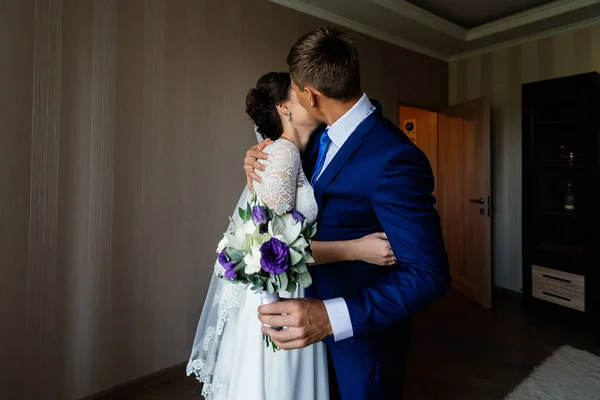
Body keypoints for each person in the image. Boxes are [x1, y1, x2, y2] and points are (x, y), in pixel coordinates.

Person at [244, 28, 450, 399]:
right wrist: (258, 167)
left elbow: (429, 274)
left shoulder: (393, 157)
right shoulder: (313, 138)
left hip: (361, 343)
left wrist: (331, 317)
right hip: (304, 334)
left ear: (311, 95)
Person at [186, 71, 397, 400]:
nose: (311, 96)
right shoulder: (283, 154)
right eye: (300, 91)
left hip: (296, 291)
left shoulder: (297, 152)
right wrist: (357, 249)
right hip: (282, 296)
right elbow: (274, 249)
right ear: (285, 106)